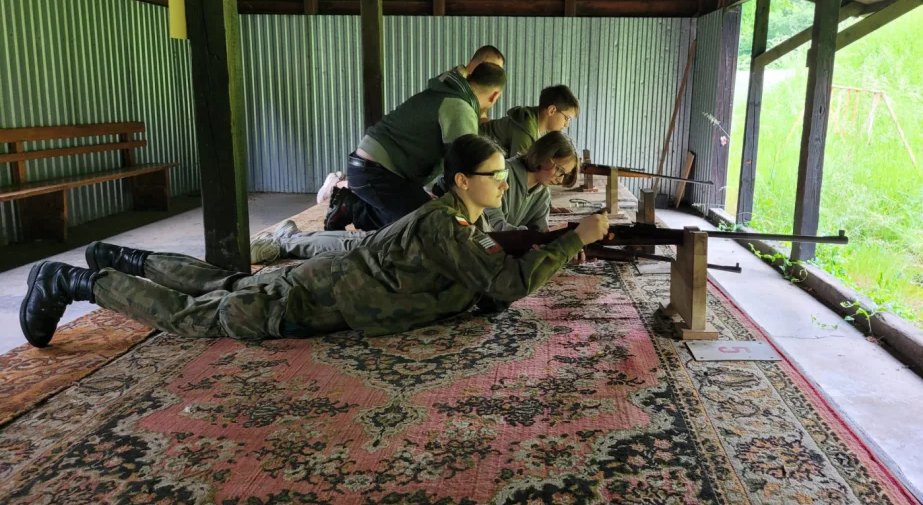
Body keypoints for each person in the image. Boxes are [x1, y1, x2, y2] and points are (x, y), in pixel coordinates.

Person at [20, 135, 609, 347]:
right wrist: (569, 242)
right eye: (496, 177)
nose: (506, 183)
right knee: (197, 317)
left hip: (316, 291)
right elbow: (504, 283)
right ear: (462, 181)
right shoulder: (442, 224)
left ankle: (122, 256)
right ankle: (72, 280)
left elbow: (490, 264)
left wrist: (548, 243)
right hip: (304, 301)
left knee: (223, 283)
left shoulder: (459, 222)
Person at [250, 131, 579, 263]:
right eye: (498, 179)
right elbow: (499, 240)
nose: (504, 185)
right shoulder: (459, 206)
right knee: (362, 247)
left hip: (451, 227)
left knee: (366, 244)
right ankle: (288, 240)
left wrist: (558, 244)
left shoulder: (528, 195)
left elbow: (531, 236)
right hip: (429, 223)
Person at [314, 46, 507, 204]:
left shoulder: (449, 91)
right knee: (421, 223)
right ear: (495, 95)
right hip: (377, 172)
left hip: (376, 168)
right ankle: (342, 200)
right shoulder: (459, 107)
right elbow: (461, 166)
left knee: (419, 210)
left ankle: (349, 205)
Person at [481, 85, 580, 157]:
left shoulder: (540, 127)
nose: (567, 124)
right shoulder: (525, 129)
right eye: (567, 118)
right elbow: (518, 169)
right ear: (551, 110)